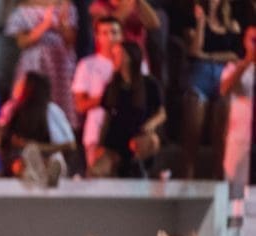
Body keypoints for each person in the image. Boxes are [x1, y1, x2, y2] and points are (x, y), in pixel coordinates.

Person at [180, 0, 241, 179]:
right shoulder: (192, 19)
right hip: (200, 73)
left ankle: (218, 176)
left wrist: (208, 56)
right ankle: (188, 175)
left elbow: (235, 55)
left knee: (221, 128)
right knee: (193, 127)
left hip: (224, 75)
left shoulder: (232, 24)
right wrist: (201, 22)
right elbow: (194, 50)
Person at [91, 41, 165, 178]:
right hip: (115, 141)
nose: (113, 57)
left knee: (152, 141)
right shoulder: (112, 86)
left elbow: (161, 113)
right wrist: (100, 145)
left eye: (118, 54)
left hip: (138, 136)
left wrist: (151, 124)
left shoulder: (149, 84)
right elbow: (107, 118)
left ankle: (136, 166)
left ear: (129, 57)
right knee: (96, 171)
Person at [5, 0, 79, 129]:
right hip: (34, 62)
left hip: (59, 62)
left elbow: (71, 40)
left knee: (62, 104)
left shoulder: (66, 6)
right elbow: (22, 42)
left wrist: (62, 23)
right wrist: (45, 25)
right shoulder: (24, 9)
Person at [0, 71, 75, 187]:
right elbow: (7, 142)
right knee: (20, 161)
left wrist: (36, 146)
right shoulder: (14, 109)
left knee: (52, 159)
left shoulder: (51, 110)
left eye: (22, 84)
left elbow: (69, 145)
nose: (18, 85)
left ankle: (45, 174)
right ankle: (35, 174)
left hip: (47, 156)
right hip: (22, 159)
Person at [72, 16, 122, 172]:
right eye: (105, 33)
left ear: (121, 35)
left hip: (127, 132)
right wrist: (105, 98)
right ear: (97, 37)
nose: (110, 37)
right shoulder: (87, 65)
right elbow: (80, 105)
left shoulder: (134, 64)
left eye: (114, 32)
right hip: (96, 133)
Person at [219, 23, 254, 196]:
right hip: (240, 139)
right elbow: (224, 89)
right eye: (253, 40)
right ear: (245, 41)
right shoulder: (235, 66)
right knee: (235, 193)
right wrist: (247, 62)